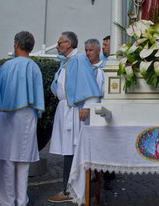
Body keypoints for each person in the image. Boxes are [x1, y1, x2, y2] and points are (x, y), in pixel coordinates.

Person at [47, 32, 102, 203]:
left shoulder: (78, 60)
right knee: (68, 151)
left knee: (74, 151)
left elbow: (90, 85)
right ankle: (69, 188)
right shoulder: (68, 61)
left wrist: (87, 106)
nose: (57, 46)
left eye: (60, 42)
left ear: (69, 43)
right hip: (66, 109)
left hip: (75, 111)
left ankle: (73, 189)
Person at [0, 31, 44, 206]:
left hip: (7, 115)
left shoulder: (7, 66)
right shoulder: (34, 67)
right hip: (28, 115)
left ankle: (6, 200)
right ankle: (22, 200)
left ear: (16, 45)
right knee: (23, 161)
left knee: (6, 160)